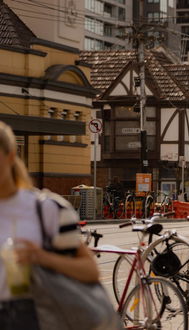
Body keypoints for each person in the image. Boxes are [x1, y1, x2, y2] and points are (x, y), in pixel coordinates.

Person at [0, 121, 99, 329]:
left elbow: (90, 270)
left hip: (31, 317)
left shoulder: (46, 209)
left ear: (10, 155)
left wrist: (41, 257)